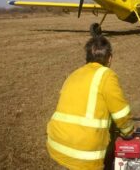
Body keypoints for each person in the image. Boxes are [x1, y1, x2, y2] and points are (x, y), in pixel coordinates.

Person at [46, 36, 134, 170]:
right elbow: (120, 112)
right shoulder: (106, 75)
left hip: (57, 143)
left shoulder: (74, 74)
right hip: (84, 152)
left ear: (86, 58)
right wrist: (129, 132)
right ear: (110, 58)